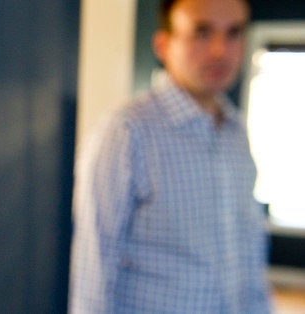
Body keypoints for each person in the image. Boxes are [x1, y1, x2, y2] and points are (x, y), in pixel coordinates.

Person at [68, 0, 270, 313]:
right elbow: (93, 270)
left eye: (234, 33)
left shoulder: (237, 133)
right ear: (164, 45)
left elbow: (249, 260)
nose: (220, 49)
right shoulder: (126, 132)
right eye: (202, 32)